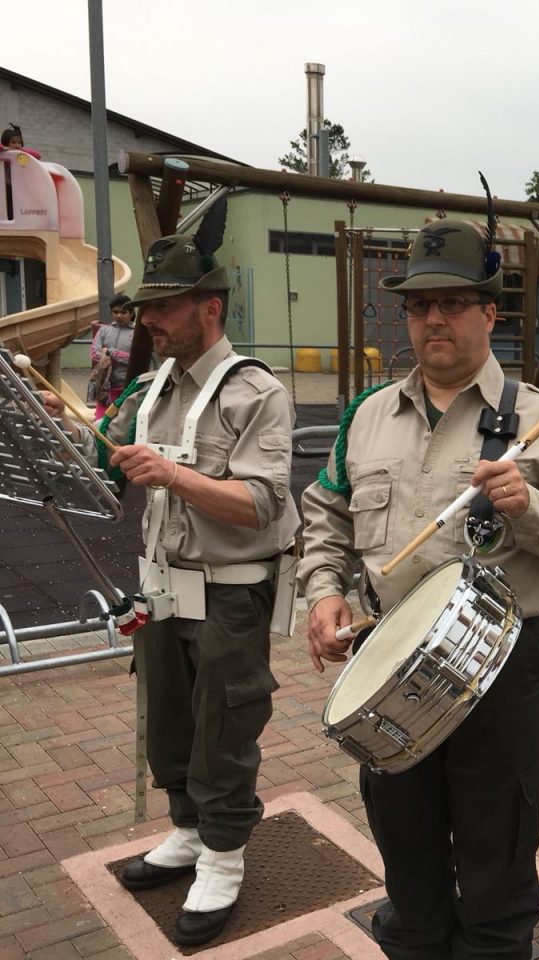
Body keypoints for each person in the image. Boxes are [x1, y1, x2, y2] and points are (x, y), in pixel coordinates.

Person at [298, 218, 539, 960]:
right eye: (418, 305)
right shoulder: (367, 416)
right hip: (385, 655)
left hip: (498, 662)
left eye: (453, 302)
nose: (433, 318)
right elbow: (325, 512)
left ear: (490, 313)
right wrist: (322, 591)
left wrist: (530, 507)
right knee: (405, 854)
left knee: (496, 851)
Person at [41, 235, 300, 946]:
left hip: (229, 593)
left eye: (165, 307)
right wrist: (62, 423)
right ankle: (188, 831)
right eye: (147, 308)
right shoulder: (151, 387)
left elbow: (262, 504)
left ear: (209, 308)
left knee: (225, 727)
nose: (148, 320)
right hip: (162, 586)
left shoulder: (257, 393)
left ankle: (223, 856)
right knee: (170, 723)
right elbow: (105, 462)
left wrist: (173, 475)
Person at [89, 294, 136, 417]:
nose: (119, 316)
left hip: (128, 387)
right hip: (105, 387)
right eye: (115, 312)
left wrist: (110, 352)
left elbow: (135, 359)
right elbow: (94, 354)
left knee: (123, 422)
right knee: (101, 422)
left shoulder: (138, 333)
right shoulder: (104, 330)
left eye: (123, 312)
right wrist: (115, 356)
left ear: (131, 313)